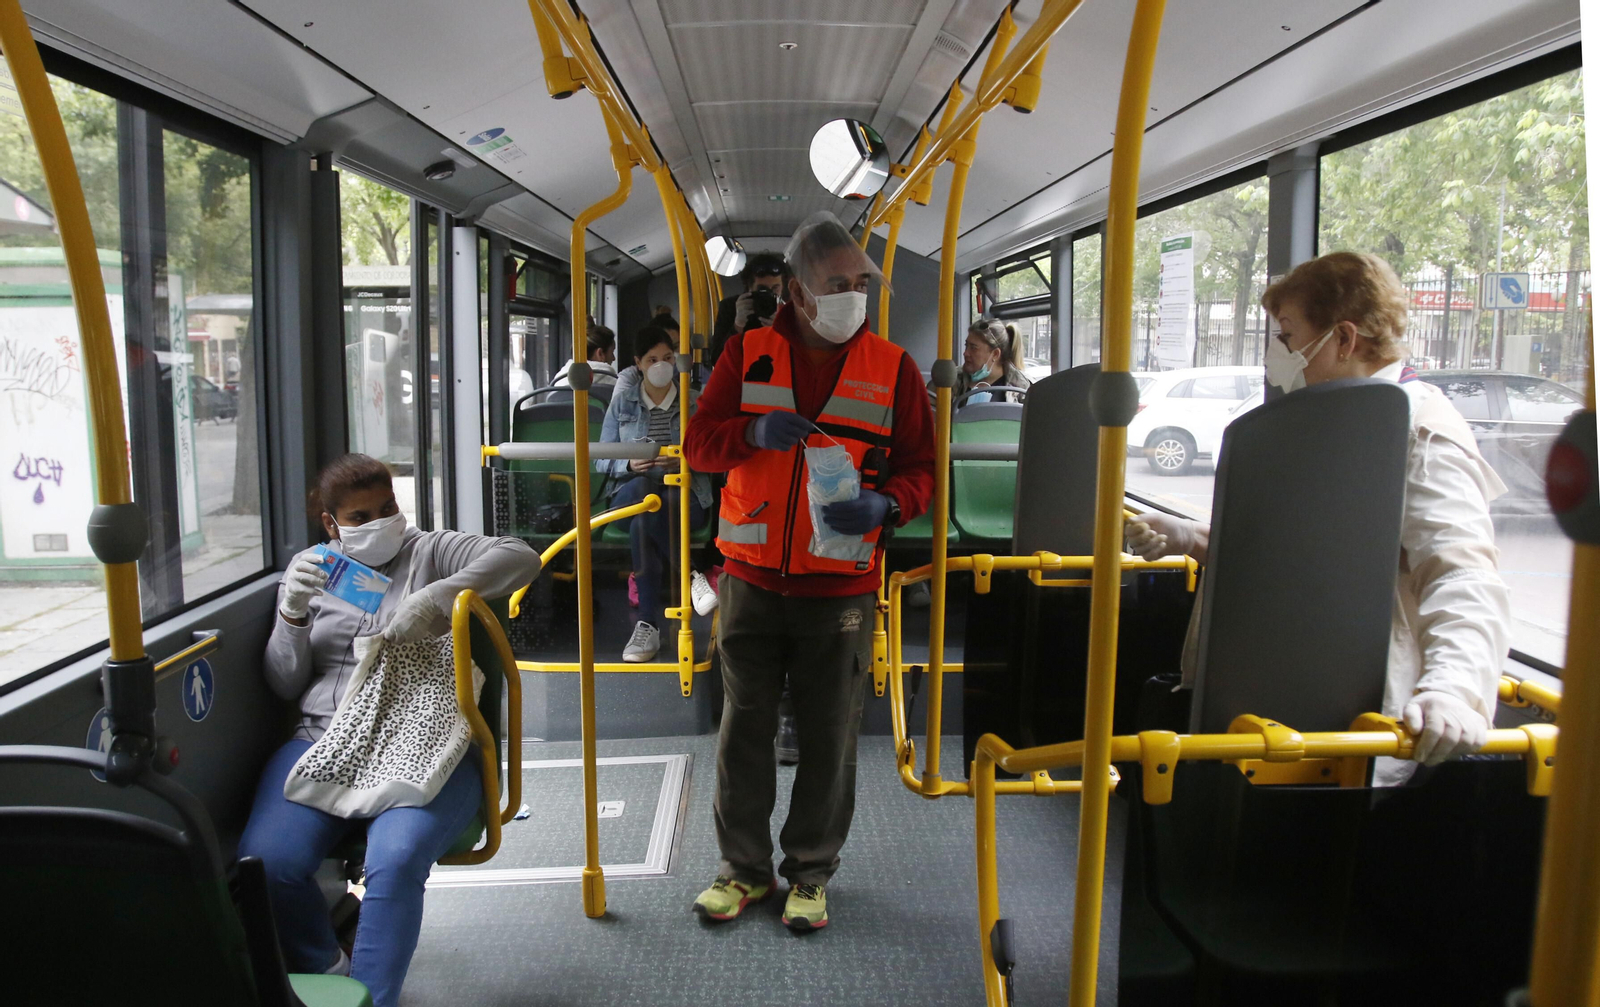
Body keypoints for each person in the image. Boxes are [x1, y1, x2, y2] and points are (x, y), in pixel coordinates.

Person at [1124, 251, 1510, 786]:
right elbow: (1302, 555)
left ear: (1345, 339)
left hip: (1350, 726)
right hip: (1270, 703)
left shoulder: (1418, 430)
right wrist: (1190, 537)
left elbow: (1461, 571)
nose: (1278, 353)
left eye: (1287, 335)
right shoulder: (1318, 423)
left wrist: (1454, 687)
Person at [684, 211, 935, 931]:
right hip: (752, 579)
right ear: (797, 291)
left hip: (842, 588)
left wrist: (890, 503)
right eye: (837, 284)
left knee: (829, 735)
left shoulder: (892, 369)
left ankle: (811, 872)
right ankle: (742, 870)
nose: (852, 296)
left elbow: (923, 471)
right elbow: (700, 444)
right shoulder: (748, 354)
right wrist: (750, 432)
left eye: (861, 283)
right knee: (743, 732)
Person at [238, 454, 540, 1007]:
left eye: (387, 508)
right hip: (328, 735)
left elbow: (520, 557)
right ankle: (331, 969)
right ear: (331, 525)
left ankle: (373, 1001)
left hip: (427, 737)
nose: (379, 522)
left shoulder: (431, 551)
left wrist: (436, 596)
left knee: (395, 862)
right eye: (359, 517)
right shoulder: (314, 570)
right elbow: (284, 684)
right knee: (267, 865)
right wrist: (292, 614)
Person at [599, 325, 716, 661]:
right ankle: (694, 575)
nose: (661, 365)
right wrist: (628, 464)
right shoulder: (622, 403)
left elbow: (709, 456)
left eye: (668, 357)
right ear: (638, 363)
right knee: (642, 490)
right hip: (631, 491)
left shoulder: (694, 402)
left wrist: (682, 460)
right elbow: (600, 458)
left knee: (647, 517)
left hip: (684, 494)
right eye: (653, 359)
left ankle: (647, 626)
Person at [711, 251, 786, 366]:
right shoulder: (731, 307)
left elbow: (797, 360)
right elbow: (717, 360)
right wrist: (737, 326)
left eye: (775, 288)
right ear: (749, 288)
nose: (769, 294)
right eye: (762, 289)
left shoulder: (789, 312)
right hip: (738, 374)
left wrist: (779, 332)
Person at [957, 318, 1031, 405]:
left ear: (995, 354)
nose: (965, 353)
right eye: (966, 346)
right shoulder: (953, 380)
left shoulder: (1021, 391)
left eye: (973, 348)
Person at [553, 323, 620, 392]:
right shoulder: (612, 382)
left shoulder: (558, 381)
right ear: (599, 353)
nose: (613, 358)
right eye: (612, 352)